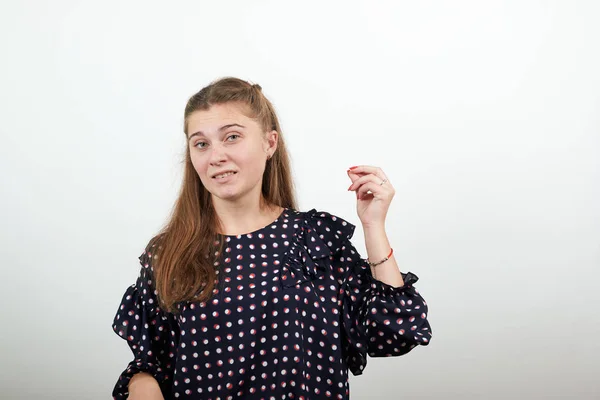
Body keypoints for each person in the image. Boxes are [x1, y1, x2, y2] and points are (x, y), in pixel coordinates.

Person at [112, 77, 432, 399]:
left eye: (232, 137)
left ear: (270, 143)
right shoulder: (169, 252)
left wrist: (373, 227)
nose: (216, 156)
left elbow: (395, 332)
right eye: (201, 144)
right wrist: (144, 386)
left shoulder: (314, 241)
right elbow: (150, 364)